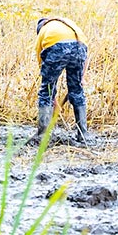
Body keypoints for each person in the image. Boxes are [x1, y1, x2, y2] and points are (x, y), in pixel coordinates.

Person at [33, 17, 92, 145]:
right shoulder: (68, 24)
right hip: (79, 48)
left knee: (45, 92)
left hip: (57, 47)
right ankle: (83, 135)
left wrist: (52, 99)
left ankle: (42, 135)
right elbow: (86, 53)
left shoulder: (43, 32)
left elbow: (46, 80)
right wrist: (81, 77)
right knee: (77, 90)